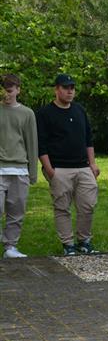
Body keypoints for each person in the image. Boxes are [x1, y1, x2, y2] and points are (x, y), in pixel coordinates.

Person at [36, 74, 100, 255]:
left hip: (83, 166)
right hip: (59, 168)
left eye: (72, 87)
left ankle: (84, 241)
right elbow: (41, 144)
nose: (70, 91)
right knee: (62, 207)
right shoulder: (44, 113)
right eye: (66, 88)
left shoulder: (79, 110)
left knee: (88, 205)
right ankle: (68, 245)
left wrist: (93, 163)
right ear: (56, 89)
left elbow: (88, 139)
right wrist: (49, 170)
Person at [1, 74, 37, 258]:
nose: (8, 94)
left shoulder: (27, 113)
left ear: (18, 90)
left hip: (20, 168)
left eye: (10, 90)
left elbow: (32, 143)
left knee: (16, 210)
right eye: (5, 90)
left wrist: (33, 173)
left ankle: (10, 247)